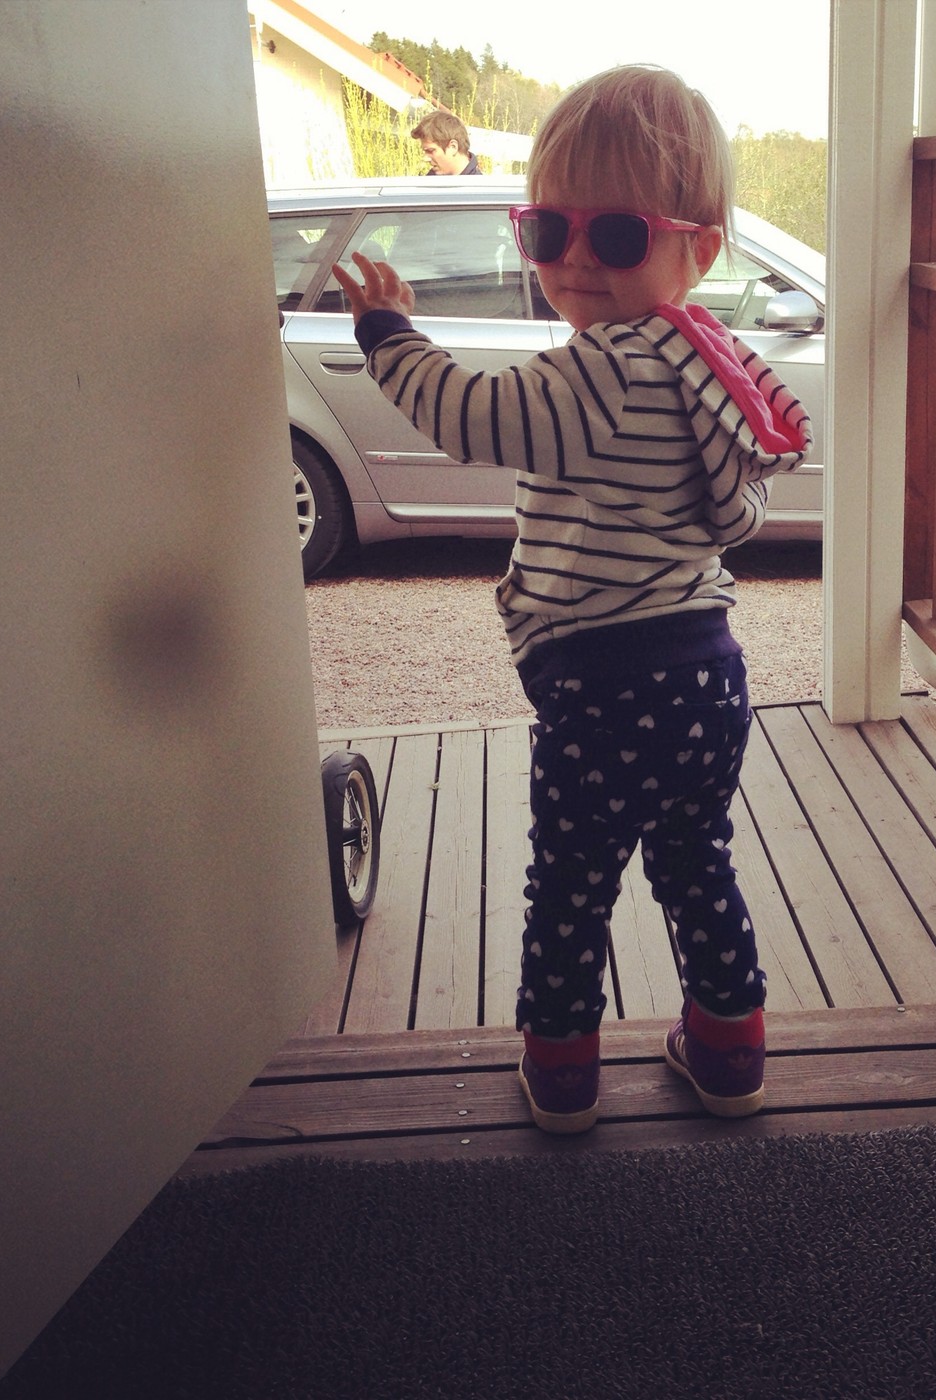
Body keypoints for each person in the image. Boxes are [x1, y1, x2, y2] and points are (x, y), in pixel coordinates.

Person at [332, 65, 811, 1134]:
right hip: (708, 677)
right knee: (697, 866)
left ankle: (560, 1072)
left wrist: (389, 336)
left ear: (698, 248)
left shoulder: (600, 371)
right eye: (549, 231)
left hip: (601, 686)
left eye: (620, 235)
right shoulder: (711, 365)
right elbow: (733, 513)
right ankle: (730, 1052)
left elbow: (471, 416)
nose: (578, 261)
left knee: (570, 886)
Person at [410, 109, 481, 175]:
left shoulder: (479, 184)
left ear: (453, 147)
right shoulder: (431, 179)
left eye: (430, 151)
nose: (425, 158)